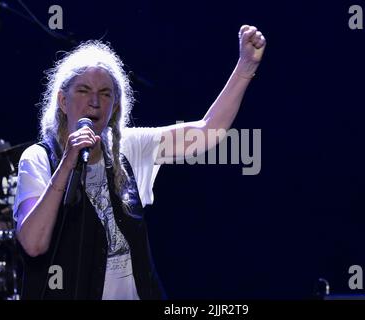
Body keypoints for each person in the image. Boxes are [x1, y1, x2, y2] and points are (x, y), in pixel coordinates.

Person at [13, 24, 266, 300]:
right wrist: (67, 164)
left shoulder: (127, 148)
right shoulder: (39, 159)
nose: (95, 102)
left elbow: (207, 132)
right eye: (84, 90)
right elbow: (34, 244)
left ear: (115, 107)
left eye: (106, 93)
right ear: (63, 100)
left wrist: (245, 68)